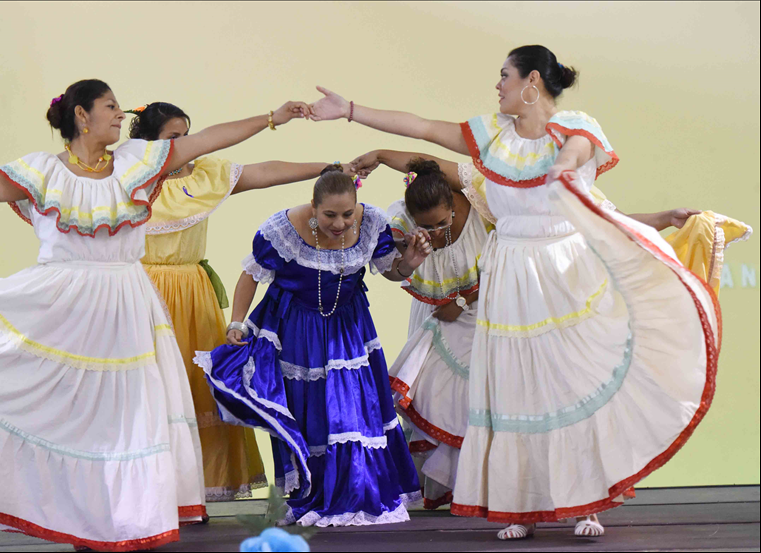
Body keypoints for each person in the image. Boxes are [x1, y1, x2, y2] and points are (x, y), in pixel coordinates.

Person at [0, 78, 311, 550]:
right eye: (110, 106)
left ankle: (129, 520)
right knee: (76, 413)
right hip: (64, 303)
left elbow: (210, 138)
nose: (120, 115)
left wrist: (272, 118)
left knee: (132, 412)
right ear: (81, 115)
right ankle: (81, 518)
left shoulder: (138, 163)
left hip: (126, 301)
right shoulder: (42, 173)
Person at [309, 45, 725, 540]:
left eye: (504, 75)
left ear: (532, 81)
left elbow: (574, 159)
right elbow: (420, 127)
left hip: (563, 270)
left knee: (571, 382)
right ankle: (518, 507)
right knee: (514, 387)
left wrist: (568, 172)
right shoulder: (493, 139)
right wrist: (351, 111)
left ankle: (587, 502)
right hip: (510, 272)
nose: (497, 85)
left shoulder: (574, 126)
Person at [128, 101, 355, 502]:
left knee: (197, 392)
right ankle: (145, 492)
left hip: (193, 294)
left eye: (187, 135)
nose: (185, 145)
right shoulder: (133, 180)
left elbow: (263, 172)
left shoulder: (203, 177)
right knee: (150, 391)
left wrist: (325, 170)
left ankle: (189, 494)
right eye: (173, 138)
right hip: (144, 293)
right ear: (149, 143)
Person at [194, 166, 431, 526]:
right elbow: (251, 275)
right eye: (330, 215)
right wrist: (237, 323)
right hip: (296, 329)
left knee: (353, 410)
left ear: (357, 206)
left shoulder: (372, 224)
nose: (339, 223)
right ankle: (312, 491)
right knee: (311, 413)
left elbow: (391, 271)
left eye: (347, 214)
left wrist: (410, 262)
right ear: (313, 207)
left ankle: (357, 490)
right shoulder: (283, 229)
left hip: (349, 326)